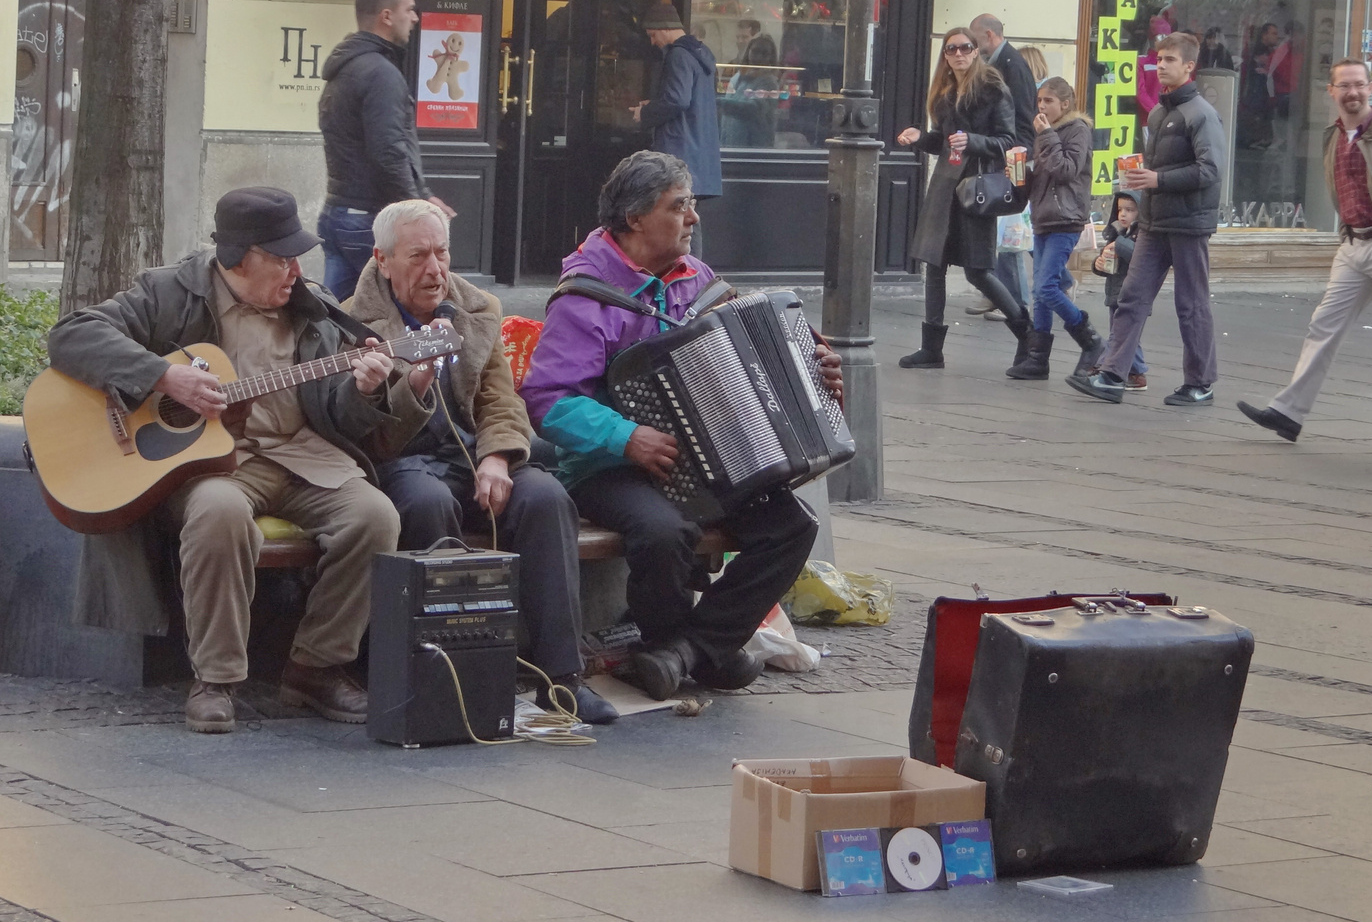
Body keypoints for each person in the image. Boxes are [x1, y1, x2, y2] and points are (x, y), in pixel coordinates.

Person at [46, 188, 432, 734]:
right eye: (281, 258)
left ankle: (315, 668)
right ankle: (216, 679)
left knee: (375, 517)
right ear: (236, 258)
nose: (296, 270)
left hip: (302, 456)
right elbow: (70, 335)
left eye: (298, 256)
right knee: (219, 513)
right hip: (212, 464)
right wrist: (163, 376)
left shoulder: (315, 309)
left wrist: (366, 391)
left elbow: (340, 418)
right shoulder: (169, 292)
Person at [519, 151, 839, 700]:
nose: (694, 217)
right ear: (636, 218)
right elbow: (548, 400)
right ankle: (678, 645)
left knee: (793, 525)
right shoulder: (586, 297)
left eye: (690, 205)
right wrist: (626, 436)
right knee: (665, 530)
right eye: (680, 206)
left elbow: (764, 351)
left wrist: (816, 367)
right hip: (608, 466)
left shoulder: (701, 281)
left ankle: (687, 651)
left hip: (715, 459)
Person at [348, 200, 619, 725]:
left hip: (470, 455)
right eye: (419, 256)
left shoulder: (476, 309)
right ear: (382, 260)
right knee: (425, 503)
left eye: (443, 253)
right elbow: (370, 434)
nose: (436, 269)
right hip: (402, 461)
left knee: (546, 497)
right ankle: (439, 676)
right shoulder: (353, 322)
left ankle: (560, 679)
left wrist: (496, 458)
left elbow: (500, 401)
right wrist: (415, 385)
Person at [1237, 60, 1372, 450]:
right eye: (1345, 86)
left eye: (1359, 85)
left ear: (1370, 87)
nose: (1353, 93)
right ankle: (1289, 412)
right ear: (1332, 91)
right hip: (1353, 246)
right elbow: (1342, 188)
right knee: (1323, 326)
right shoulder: (1333, 135)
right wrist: (1345, 234)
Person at [1067, 31, 1224, 406]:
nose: (1161, 65)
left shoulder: (1200, 113)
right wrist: (1141, 180)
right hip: (1153, 223)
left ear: (1189, 66)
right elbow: (1159, 168)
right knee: (1130, 298)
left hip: (1188, 224)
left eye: (1170, 60)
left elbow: (1211, 170)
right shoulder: (1157, 112)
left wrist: (1157, 179)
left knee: (1192, 304)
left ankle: (1200, 382)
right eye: (1159, 59)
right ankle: (1112, 374)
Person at [895, 26, 1029, 369]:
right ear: (945, 55)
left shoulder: (992, 88)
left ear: (976, 51)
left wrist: (972, 140)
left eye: (965, 48)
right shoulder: (943, 92)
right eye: (951, 49)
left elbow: (1007, 140)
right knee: (934, 264)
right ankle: (931, 349)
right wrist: (920, 138)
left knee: (978, 271)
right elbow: (943, 140)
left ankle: (1028, 336)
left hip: (977, 188)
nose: (958, 54)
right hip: (945, 185)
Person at [318, 0, 452, 300]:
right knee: (403, 315)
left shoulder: (347, 67)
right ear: (386, 16)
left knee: (335, 319)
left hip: (339, 215)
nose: (416, 18)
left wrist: (422, 193)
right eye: (410, 9)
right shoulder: (381, 74)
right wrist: (417, 207)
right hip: (368, 221)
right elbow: (389, 151)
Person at [1007, 78, 1103, 381]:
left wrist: (1047, 135)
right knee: (1040, 290)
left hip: (1066, 218)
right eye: (1039, 101)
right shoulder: (1046, 134)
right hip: (1043, 216)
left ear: (1065, 104)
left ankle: (1091, 341)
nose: (1041, 107)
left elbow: (1066, 170)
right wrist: (1020, 173)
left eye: (1048, 101)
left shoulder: (1078, 130)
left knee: (1047, 286)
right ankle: (1038, 358)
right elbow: (1045, 176)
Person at [631, 2, 721, 257]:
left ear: (664, 29)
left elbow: (677, 100)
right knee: (688, 214)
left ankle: (692, 275)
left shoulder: (678, 55)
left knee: (684, 216)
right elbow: (688, 101)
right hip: (697, 147)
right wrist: (655, 104)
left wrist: (645, 113)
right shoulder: (699, 54)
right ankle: (692, 274)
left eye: (652, 35)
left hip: (680, 148)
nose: (652, 42)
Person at [972, 14, 1038, 318]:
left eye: (974, 41)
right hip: (1003, 152)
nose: (973, 48)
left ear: (988, 35)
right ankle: (998, 292)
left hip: (1012, 155)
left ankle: (1014, 299)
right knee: (1002, 225)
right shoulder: (999, 62)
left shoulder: (1011, 64)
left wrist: (1018, 156)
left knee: (1009, 226)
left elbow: (1023, 114)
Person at [1094, 190, 1149, 391]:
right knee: (1121, 334)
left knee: (1121, 335)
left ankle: (1109, 366)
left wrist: (1119, 244)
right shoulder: (1117, 233)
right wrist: (1099, 264)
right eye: (1120, 210)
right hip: (1115, 292)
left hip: (1132, 294)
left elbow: (1138, 256)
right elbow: (1109, 261)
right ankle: (1134, 371)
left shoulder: (1141, 235)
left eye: (1130, 210)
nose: (1123, 214)